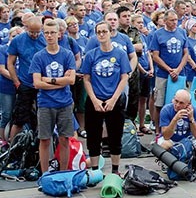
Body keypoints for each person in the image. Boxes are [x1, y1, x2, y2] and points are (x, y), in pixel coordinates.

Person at [81, 21, 131, 174]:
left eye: (104, 31)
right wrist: (95, 100)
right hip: (95, 99)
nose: (102, 34)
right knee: (93, 136)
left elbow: (124, 77)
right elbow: (86, 79)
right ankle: (95, 170)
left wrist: (114, 99)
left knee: (115, 136)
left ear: (110, 33)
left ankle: (115, 170)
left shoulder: (120, 54)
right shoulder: (91, 55)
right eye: (99, 32)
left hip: (114, 99)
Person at [30, 20, 76, 173]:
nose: (49, 36)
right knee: (44, 140)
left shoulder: (67, 54)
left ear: (59, 34)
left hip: (64, 102)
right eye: (47, 33)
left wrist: (49, 80)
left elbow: (71, 80)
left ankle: (63, 173)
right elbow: (37, 83)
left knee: (64, 139)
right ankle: (44, 174)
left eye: (52, 33)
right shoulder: (39, 57)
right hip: (45, 103)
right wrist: (60, 81)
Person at [7, 16, 46, 141]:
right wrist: (16, 81)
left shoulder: (46, 38)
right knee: (19, 117)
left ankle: (40, 144)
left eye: (37, 32)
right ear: (26, 28)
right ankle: (12, 147)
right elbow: (10, 63)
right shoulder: (18, 40)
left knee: (43, 117)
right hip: (25, 83)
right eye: (32, 32)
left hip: (43, 83)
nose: (35, 35)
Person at [150, 10, 189, 115]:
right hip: (163, 74)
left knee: (181, 103)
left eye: (176, 20)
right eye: (172, 20)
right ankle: (158, 129)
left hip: (180, 73)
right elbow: (155, 56)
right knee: (160, 104)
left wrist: (178, 69)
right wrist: (169, 70)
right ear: (165, 21)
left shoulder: (182, 32)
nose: (175, 22)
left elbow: (186, 53)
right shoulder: (158, 34)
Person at [158, 89, 196, 155]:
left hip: (188, 140)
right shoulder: (166, 109)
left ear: (188, 104)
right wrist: (175, 119)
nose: (177, 105)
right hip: (171, 140)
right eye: (176, 101)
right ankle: (175, 157)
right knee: (165, 145)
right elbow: (166, 136)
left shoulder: (194, 110)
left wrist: (191, 119)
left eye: (181, 103)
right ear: (173, 99)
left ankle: (188, 155)